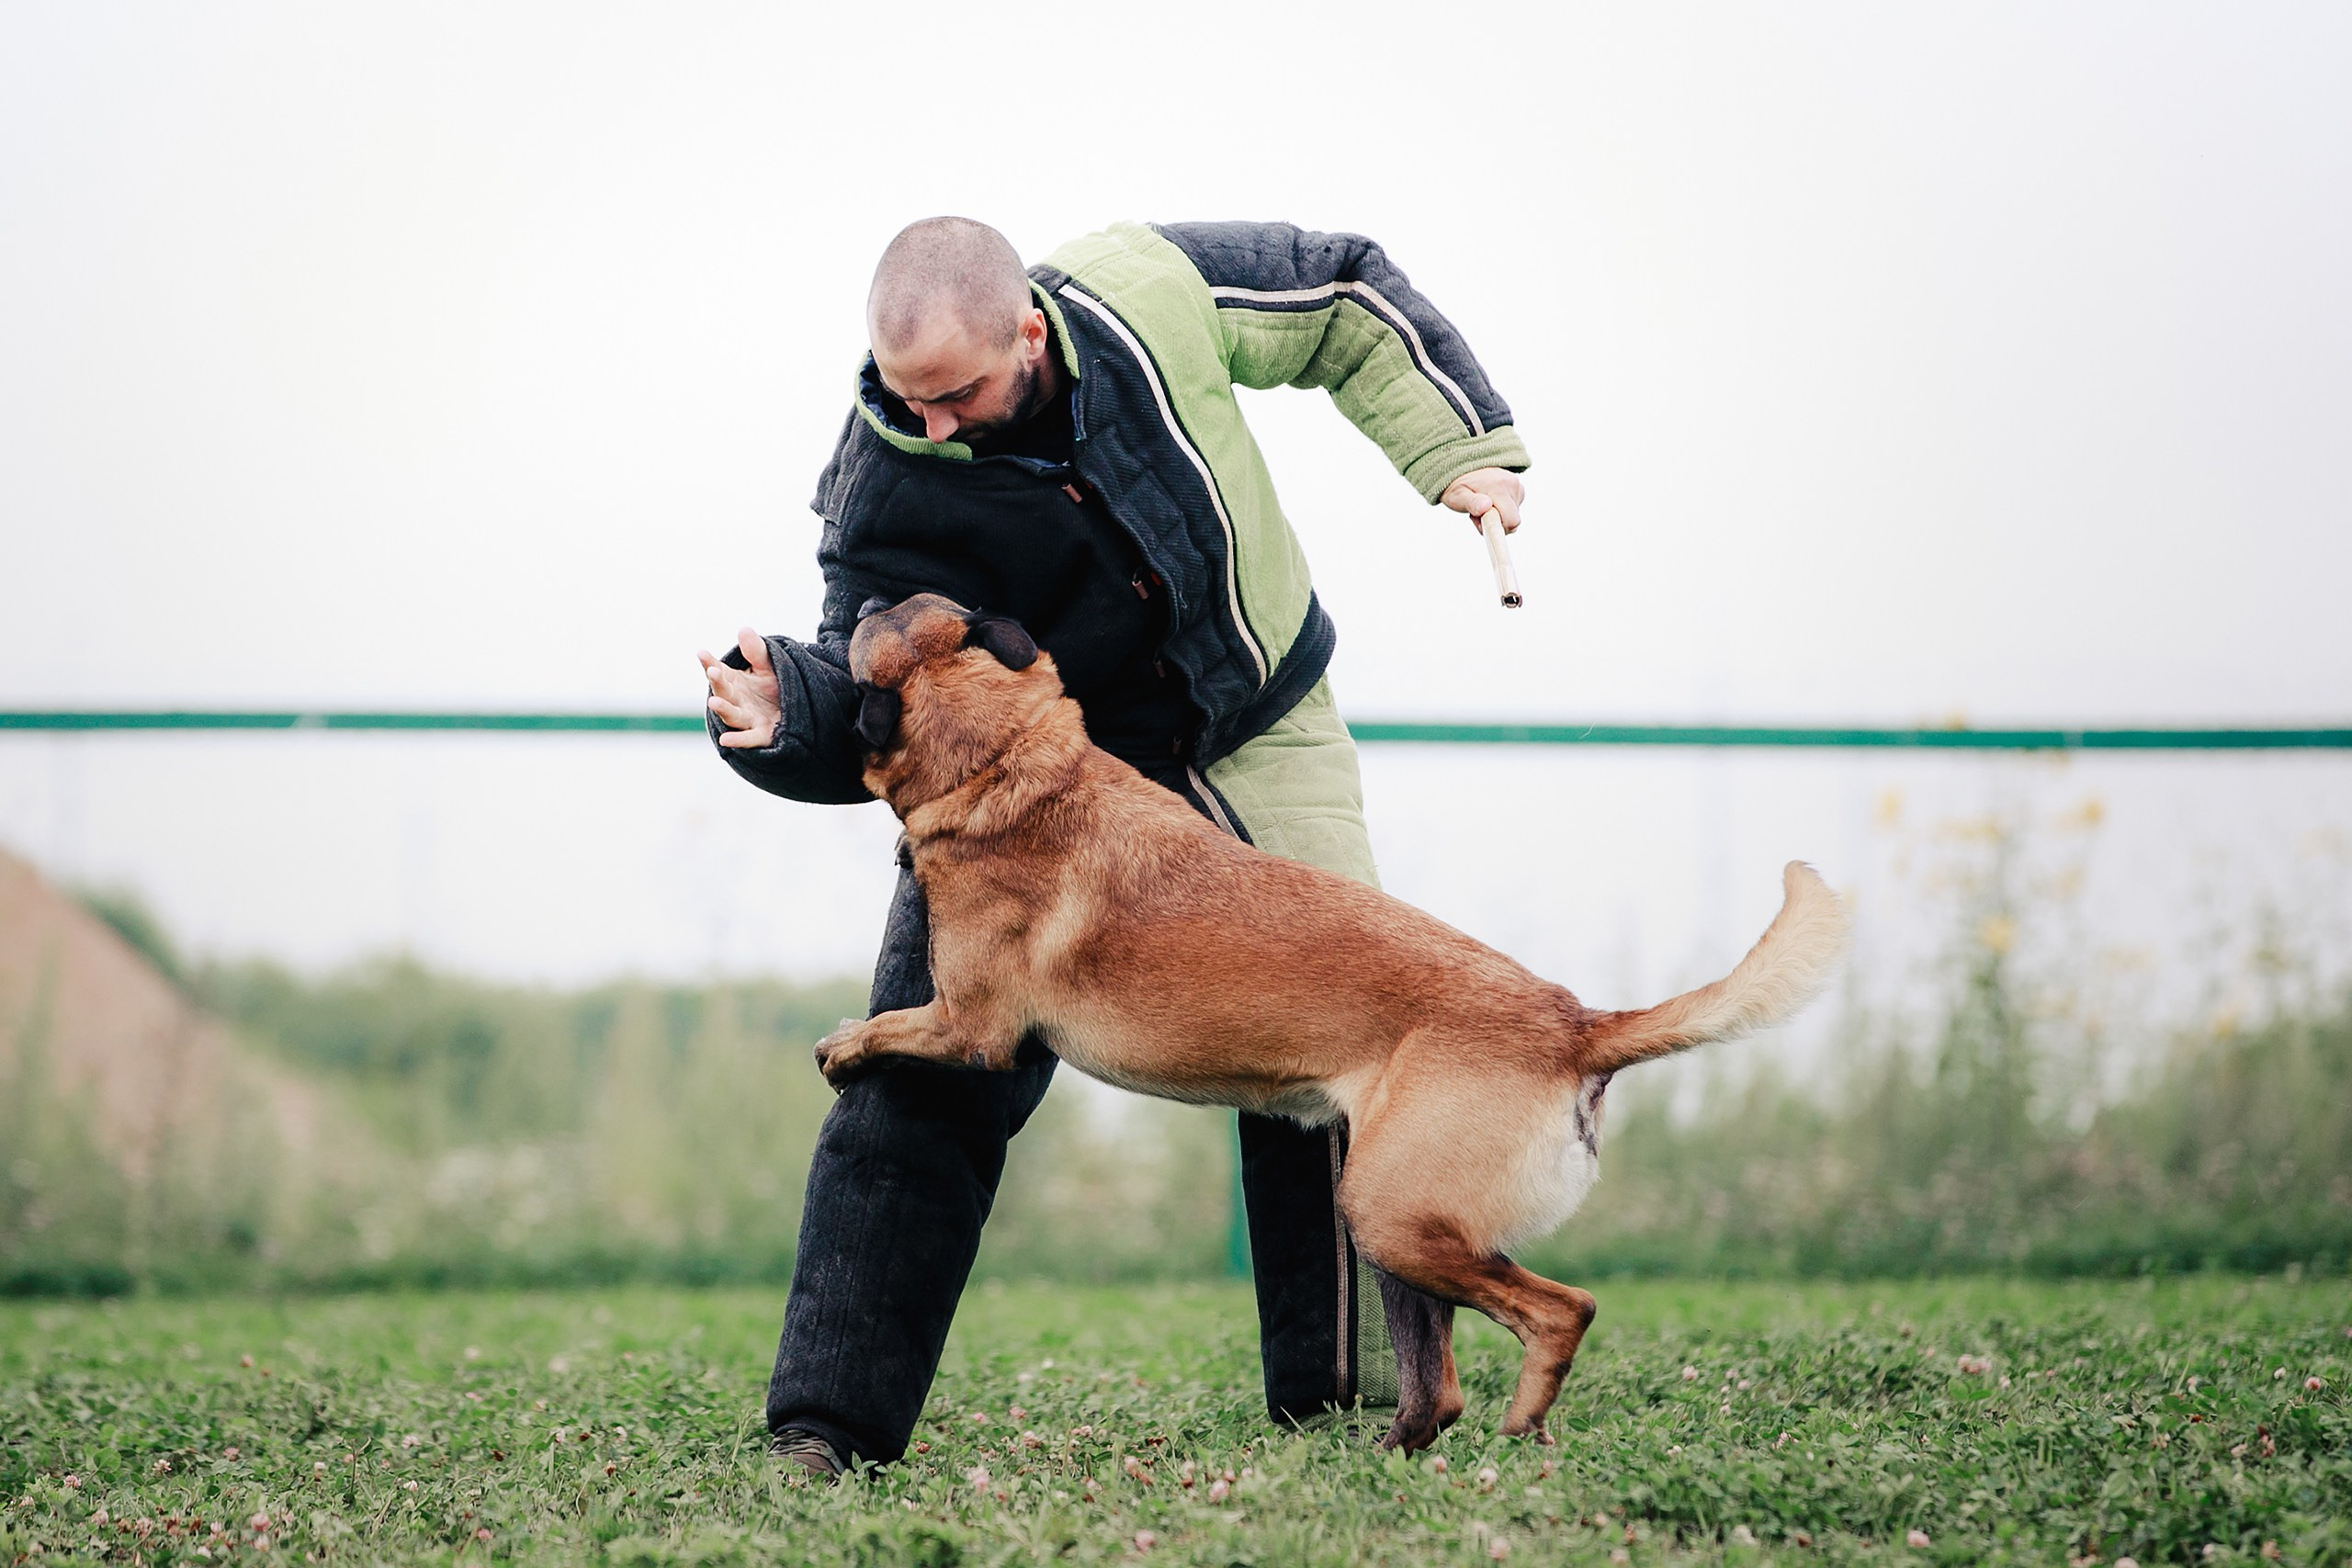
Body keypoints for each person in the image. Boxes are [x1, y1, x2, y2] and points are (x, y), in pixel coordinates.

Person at [700, 217, 1529, 1478]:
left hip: (1255, 718)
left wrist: (1460, 450)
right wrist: (787, 715)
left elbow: (1346, 295)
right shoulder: (884, 482)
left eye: (958, 394)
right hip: (1033, 790)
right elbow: (865, 680)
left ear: (1030, 327)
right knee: (922, 1075)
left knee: (1354, 1041)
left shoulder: (1150, 295)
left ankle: (1356, 1406)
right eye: (906, 398)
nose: (933, 426)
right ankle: (827, 1429)